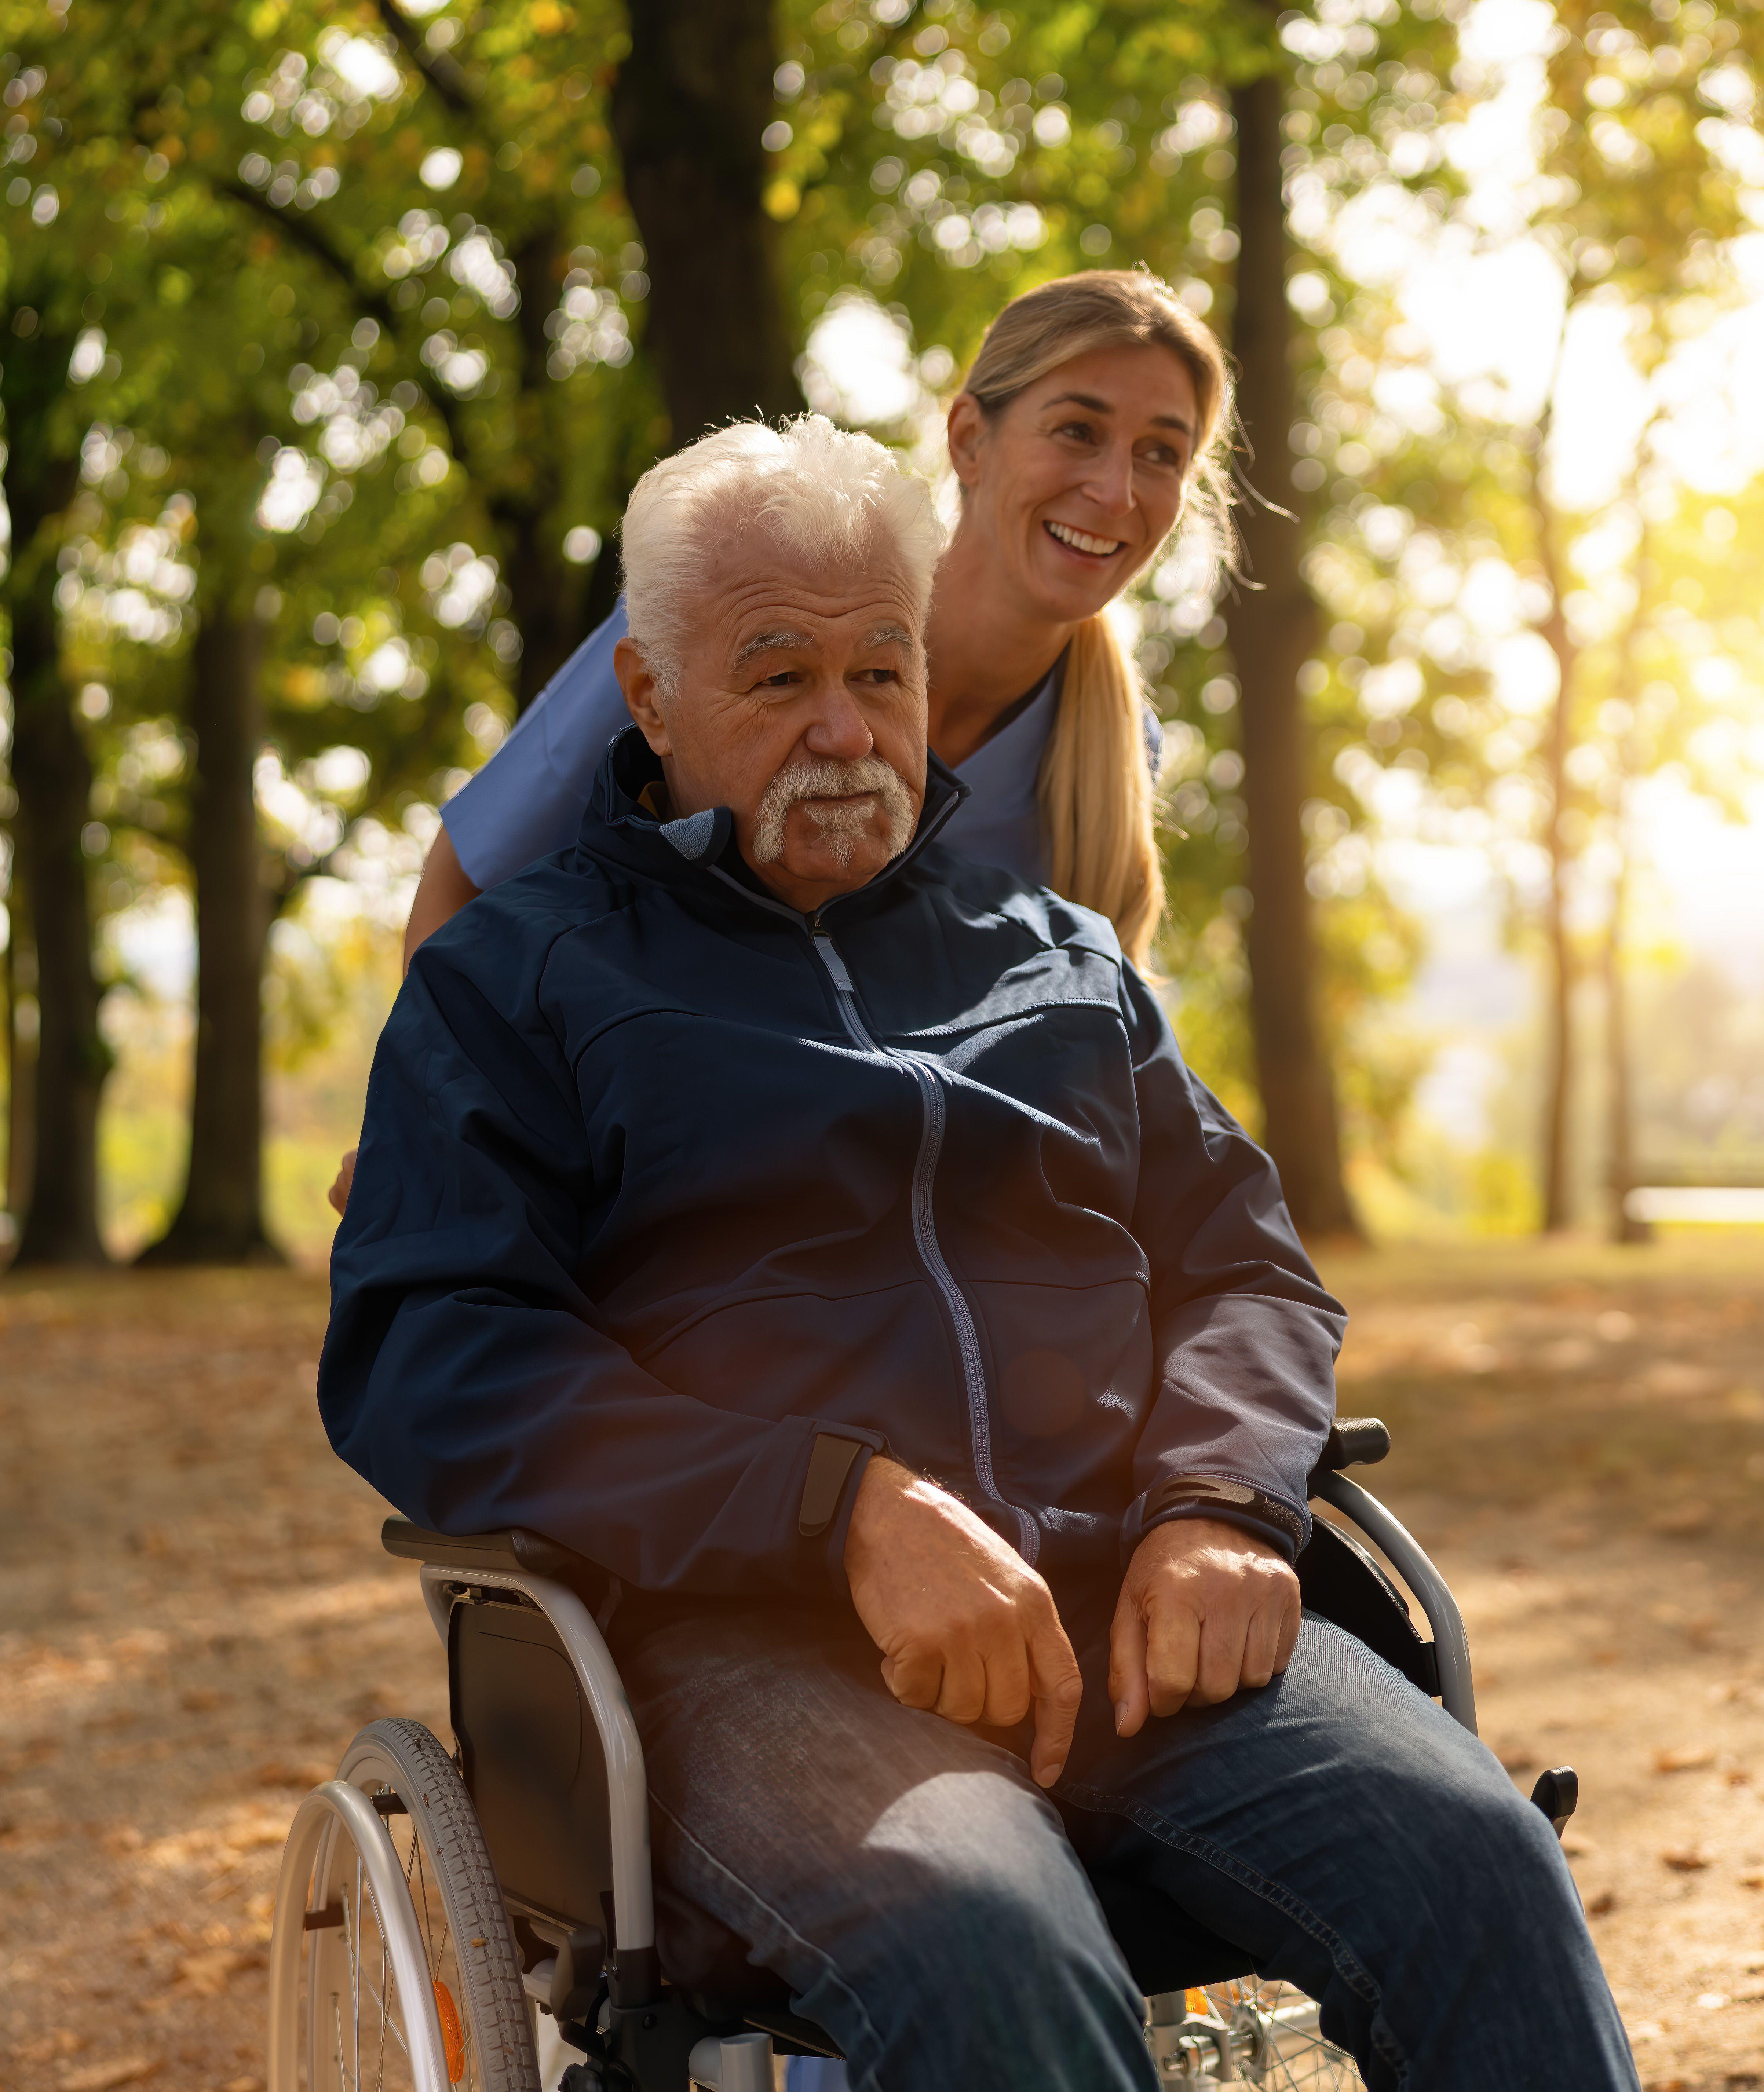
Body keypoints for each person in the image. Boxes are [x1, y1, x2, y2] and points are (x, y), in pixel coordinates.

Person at [320, 415, 1633, 2091]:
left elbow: (1243, 1265)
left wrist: (1221, 1506)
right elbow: (437, 1351)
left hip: (1134, 1611)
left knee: (1479, 1867)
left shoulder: (1056, 960)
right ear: (647, 700)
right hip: (744, 1650)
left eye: (881, 671)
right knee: (991, 1948)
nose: (844, 728)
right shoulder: (518, 977)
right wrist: (839, 1509)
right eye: (776, 675)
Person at [328, 267, 1216, 1217]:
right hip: (629, 1175)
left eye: (1163, 453)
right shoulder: (727, 600)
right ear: (969, 438)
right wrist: (435, 1121)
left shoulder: (1114, 757)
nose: (1116, 488)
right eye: (1077, 430)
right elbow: (466, 879)